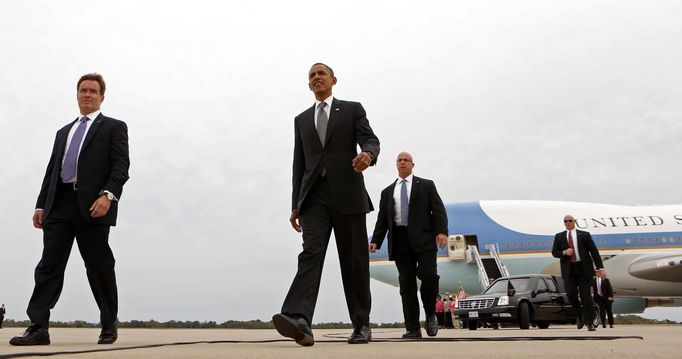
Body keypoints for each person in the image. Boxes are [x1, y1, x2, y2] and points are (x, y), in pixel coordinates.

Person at [10, 73, 130, 346]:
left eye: (93, 91)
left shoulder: (113, 127)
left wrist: (108, 196)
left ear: (102, 97)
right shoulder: (63, 132)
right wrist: (41, 204)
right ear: (77, 94)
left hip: (93, 205)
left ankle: (109, 323)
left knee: (98, 266)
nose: (87, 94)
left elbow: (121, 166)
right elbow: (52, 171)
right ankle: (38, 327)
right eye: (83, 90)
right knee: (49, 266)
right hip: (59, 205)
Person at [272, 63, 380, 346]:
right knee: (311, 254)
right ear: (309, 85)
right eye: (311, 75)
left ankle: (361, 324)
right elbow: (299, 164)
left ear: (334, 80)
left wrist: (368, 154)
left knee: (354, 260)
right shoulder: (301, 120)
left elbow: (369, 139)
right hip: (314, 198)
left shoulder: (352, 109)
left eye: (321, 73)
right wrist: (296, 204)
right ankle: (299, 320)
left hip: (348, 193)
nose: (316, 77)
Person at [369, 151, 448, 338]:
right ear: (396, 165)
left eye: (406, 161)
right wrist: (375, 240)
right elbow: (383, 219)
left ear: (413, 165)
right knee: (407, 284)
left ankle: (430, 314)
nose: (403, 163)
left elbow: (438, 210)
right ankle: (412, 328)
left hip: (424, 239)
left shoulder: (426, 185)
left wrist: (442, 231)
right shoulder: (387, 192)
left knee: (429, 275)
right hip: (400, 240)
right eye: (400, 160)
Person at [551, 214, 605, 331]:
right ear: (564, 223)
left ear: (574, 221)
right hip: (569, 270)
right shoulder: (559, 236)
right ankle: (580, 316)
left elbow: (594, 251)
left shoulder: (584, 235)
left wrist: (600, 268)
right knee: (571, 294)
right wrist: (565, 252)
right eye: (566, 221)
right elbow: (554, 252)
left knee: (586, 296)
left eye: (570, 220)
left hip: (584, 269)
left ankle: (589, 322)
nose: (568, 222)